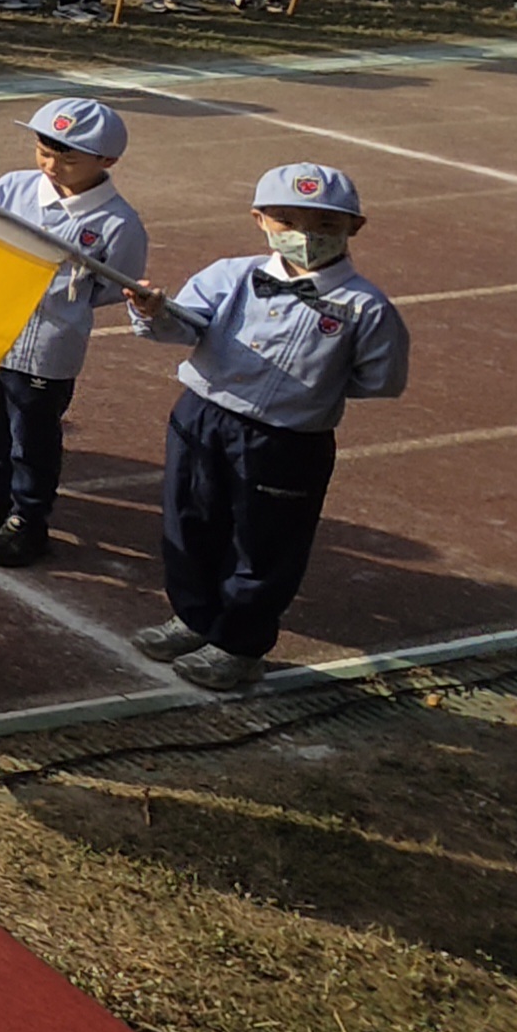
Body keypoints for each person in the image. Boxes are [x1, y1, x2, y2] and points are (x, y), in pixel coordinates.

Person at [121, 162, 410, 693]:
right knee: (190, 522)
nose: (306, 236)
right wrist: (153, 310)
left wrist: (308, 392)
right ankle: (194, 617)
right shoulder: (230, 275)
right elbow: (183, 327)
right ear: (260, 220)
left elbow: (379, 378)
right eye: (288, 221)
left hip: (286, 439)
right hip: (202, 416)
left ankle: (240, 644)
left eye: (326, 225)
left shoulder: (364, 307)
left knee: (264, 543)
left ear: (355, 227)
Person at [0, 97, 149, 571]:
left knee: (31, 436)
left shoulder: (117, 222)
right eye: (44, 152)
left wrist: (59, 303)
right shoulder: (13, 187)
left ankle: (27, 519)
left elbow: (113, 285)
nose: (51, 166)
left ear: (107, 160)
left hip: (47, 347)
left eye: (68, 160)